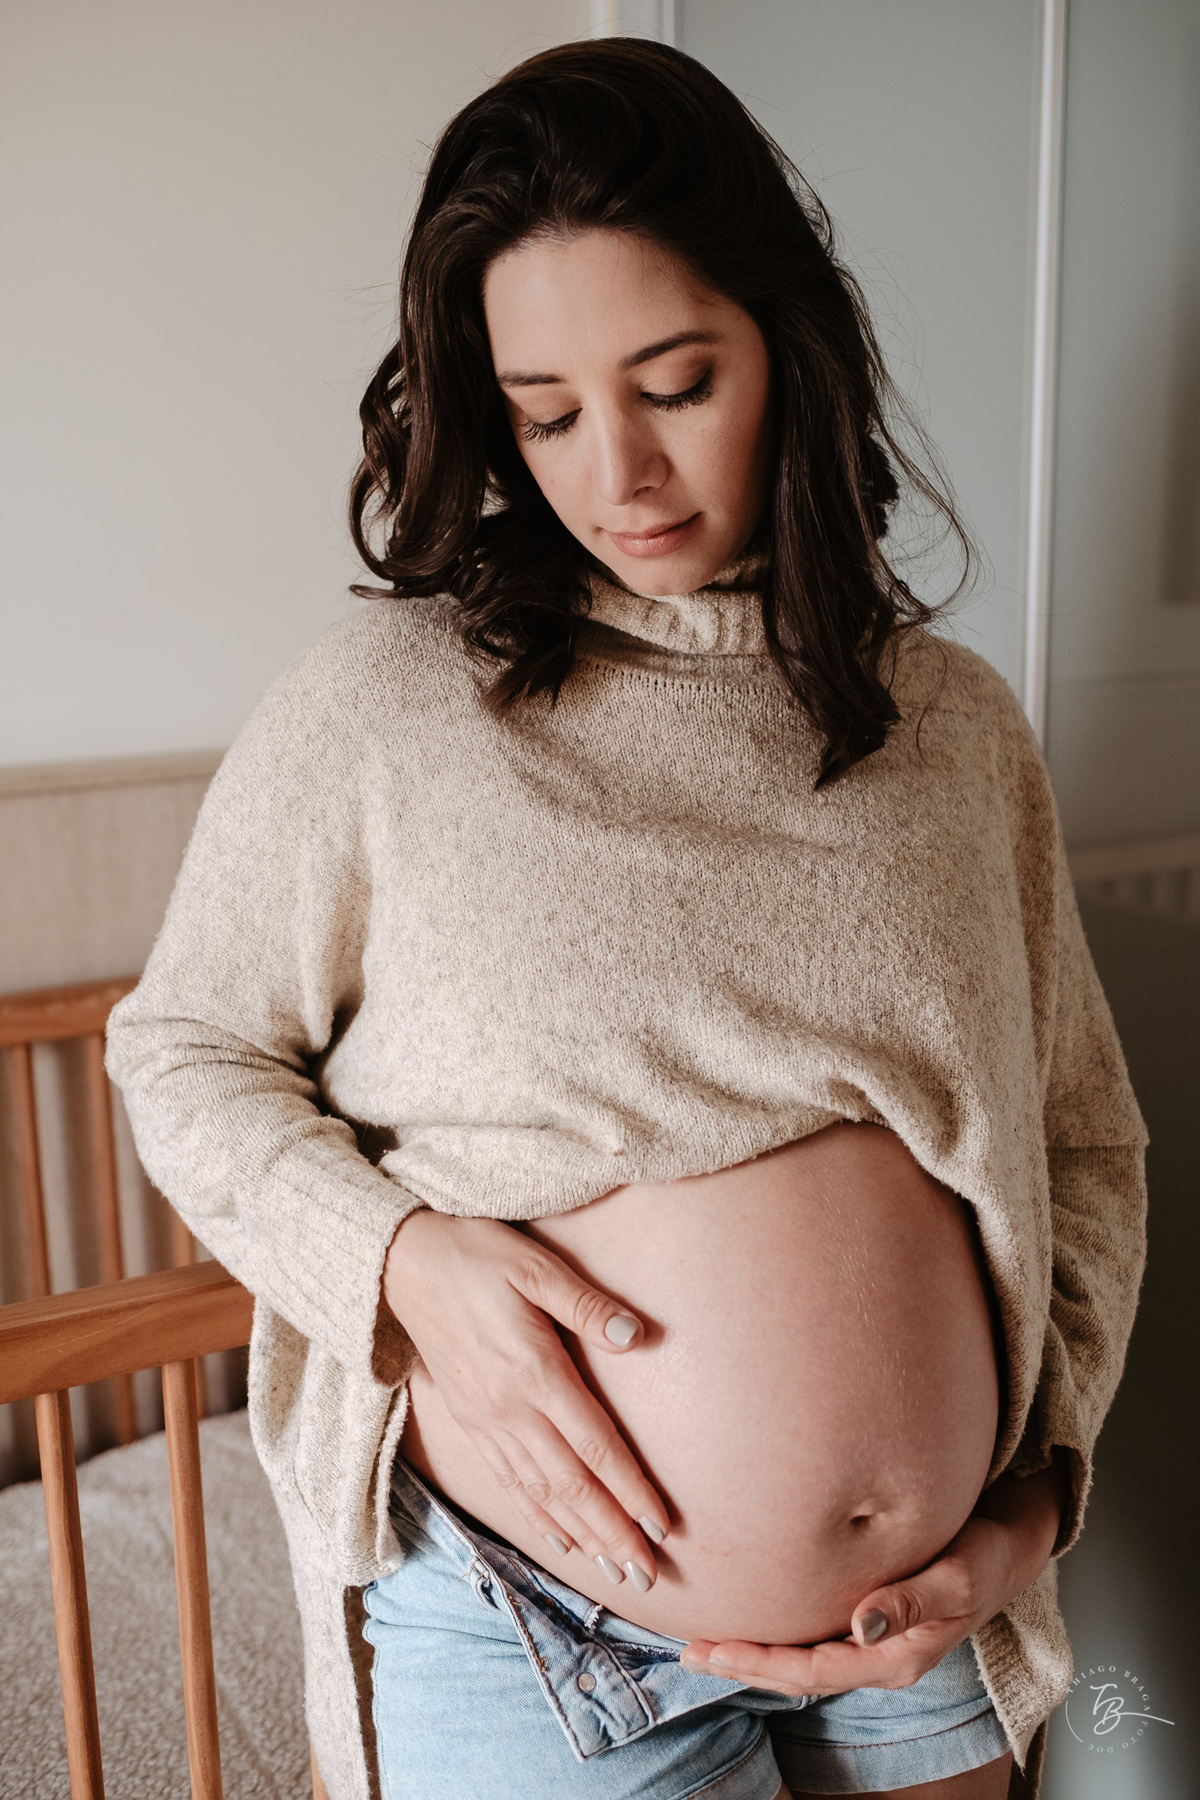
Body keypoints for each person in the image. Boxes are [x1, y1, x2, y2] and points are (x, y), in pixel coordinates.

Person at [106, 37, 1148, 1800]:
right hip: (535, 1620)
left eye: (675, 384)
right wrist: (400, 1263)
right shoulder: (390, 707)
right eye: (547, 413)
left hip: (922, 1632)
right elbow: (183, 1050)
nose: (622, 473)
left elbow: (1081, 1140)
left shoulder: (953, 730)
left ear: (788, 346)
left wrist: (1033, 1505)